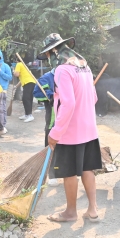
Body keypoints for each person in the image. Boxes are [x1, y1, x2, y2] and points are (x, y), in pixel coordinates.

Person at [42, 33, 101, 222]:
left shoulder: (62, 70)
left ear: (54, 51)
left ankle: (70, 212)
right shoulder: (84, 66)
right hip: (89, 129)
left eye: (48, 54)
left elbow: (68, 104)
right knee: (87, 169)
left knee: (68, 172)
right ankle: (92, 210)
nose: (48, 58)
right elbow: (94, 97)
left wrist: (55, 132)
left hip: (70, 133)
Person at [33, 68, 59, 186]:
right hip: (53, 117)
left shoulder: (71, 75)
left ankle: (67, 171)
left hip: (69, 116)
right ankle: (52, 173)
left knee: (68, 145)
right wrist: (51, 95)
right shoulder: (46, 78)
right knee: (51, 143)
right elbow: (37, 93)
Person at [13, 56, 36, 123]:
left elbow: (17, 74)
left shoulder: (19, 64)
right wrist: (16, 86)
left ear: (16, 60)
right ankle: (27, 114)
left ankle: (30, 115)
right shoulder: (24, 66)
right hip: (31, 82)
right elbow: (21, 79)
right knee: (28, 98)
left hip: (28, 83)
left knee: (25, 98)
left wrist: (14, 72)